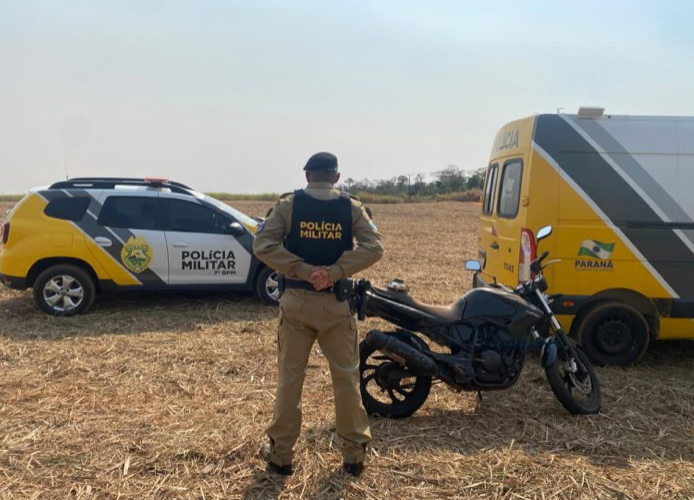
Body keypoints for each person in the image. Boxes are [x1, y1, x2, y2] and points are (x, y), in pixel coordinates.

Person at [252, 152, 383, 477]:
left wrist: (302, 269)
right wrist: (335, 271)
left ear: (308, 176)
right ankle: (353, 456)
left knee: (290, 381)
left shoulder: (288, 205)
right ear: (336, 177)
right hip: (337, 307)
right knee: (346, 379)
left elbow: (263, 245)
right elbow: (374, 247)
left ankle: (281, 458)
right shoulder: (352, 207)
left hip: (296, 304)